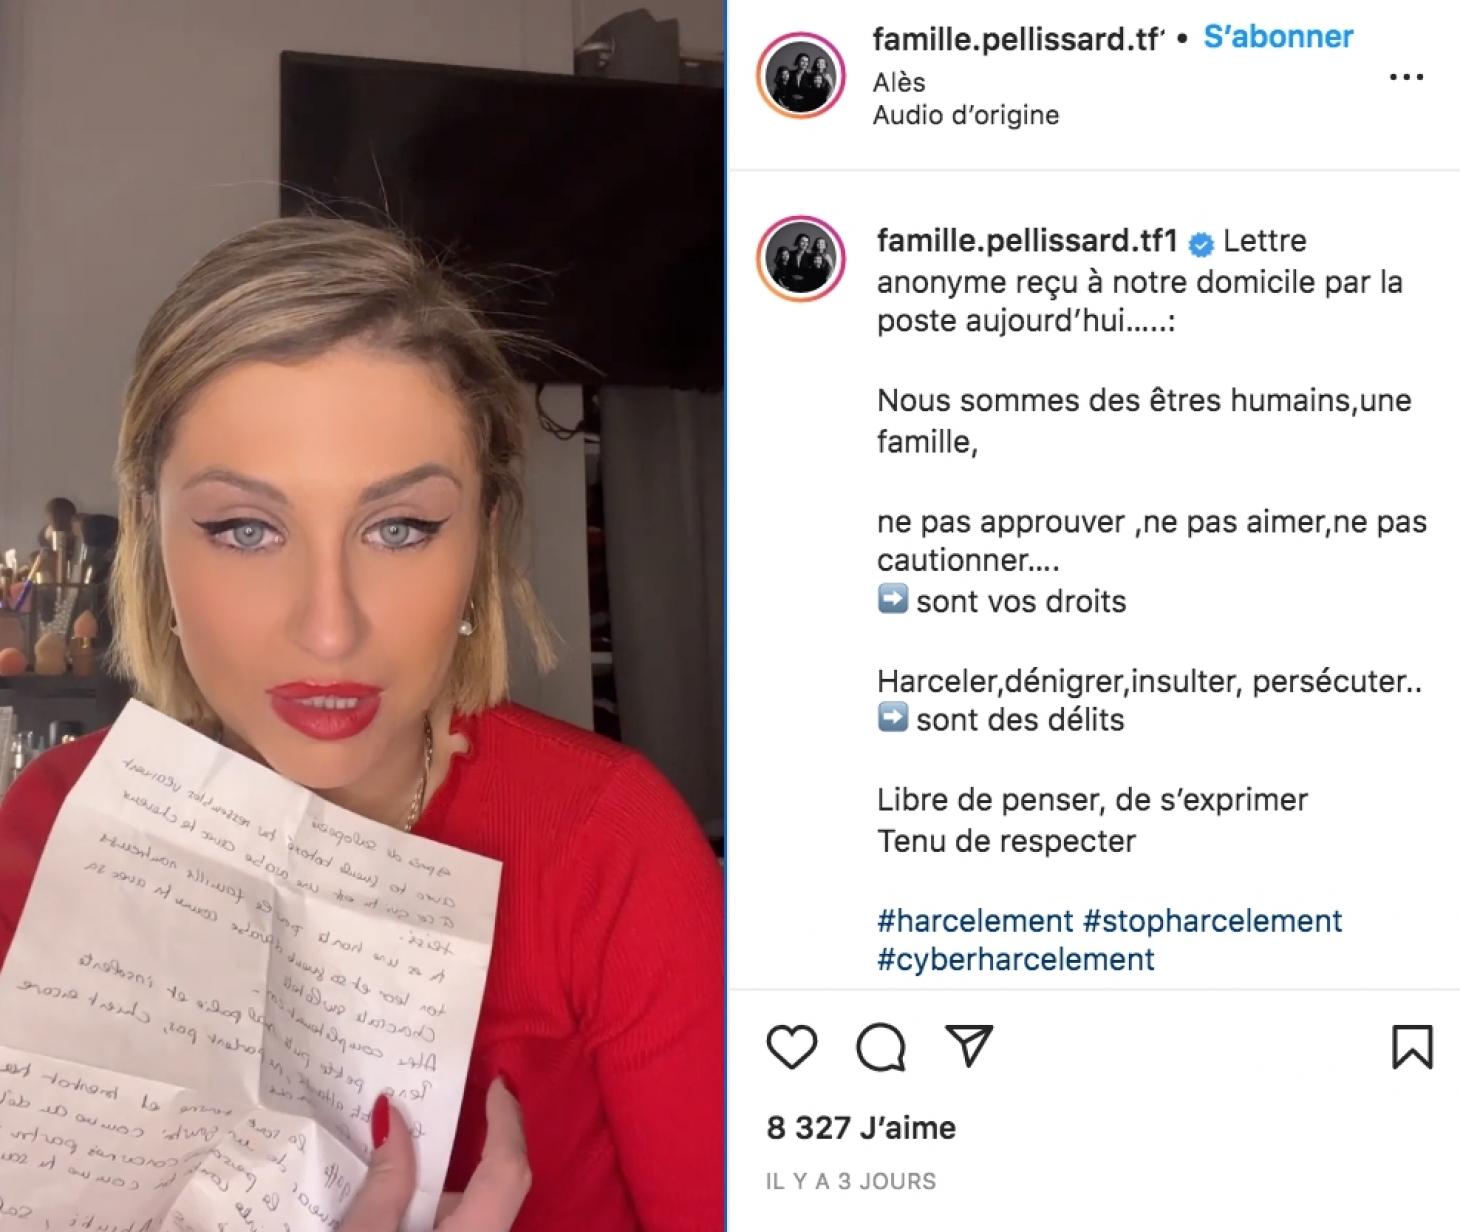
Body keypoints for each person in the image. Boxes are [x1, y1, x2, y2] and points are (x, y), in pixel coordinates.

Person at [0, 216, 725, 1230]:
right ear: (154, 535)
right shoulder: (57, 826)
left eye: (399, 527)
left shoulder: (606, 846)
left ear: (481, 541)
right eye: (244, 529)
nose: (329, 627)